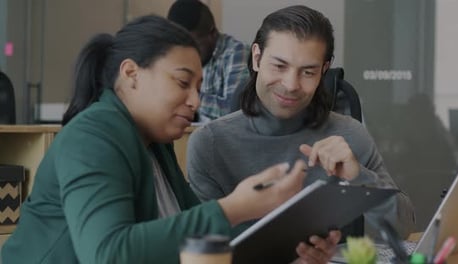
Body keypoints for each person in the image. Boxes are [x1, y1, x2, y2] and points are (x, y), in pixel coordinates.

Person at [1, 15, 340, 263]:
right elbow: (109, 253)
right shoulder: (94, 135)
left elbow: (197, 235)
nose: (195, 102)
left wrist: (291, 248)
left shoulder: (155, 143)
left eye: (198, 88)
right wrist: (233, 207)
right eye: (182, 83)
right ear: (131, 74)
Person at [187, 5, 416, 240]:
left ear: (323, 71)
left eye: (308, 72)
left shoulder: (349, 135)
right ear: (257, 58)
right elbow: (200, 245)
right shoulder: (209, 144)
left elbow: (403, 227)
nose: (291, 85)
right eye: (279, 66)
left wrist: (359, 177)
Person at [167, 0, 250, 121]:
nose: (185, 53)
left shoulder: (238, 53)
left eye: (193, 44)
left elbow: (234, 111)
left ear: (212, 33)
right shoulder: (177, 54)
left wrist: (184, 94)